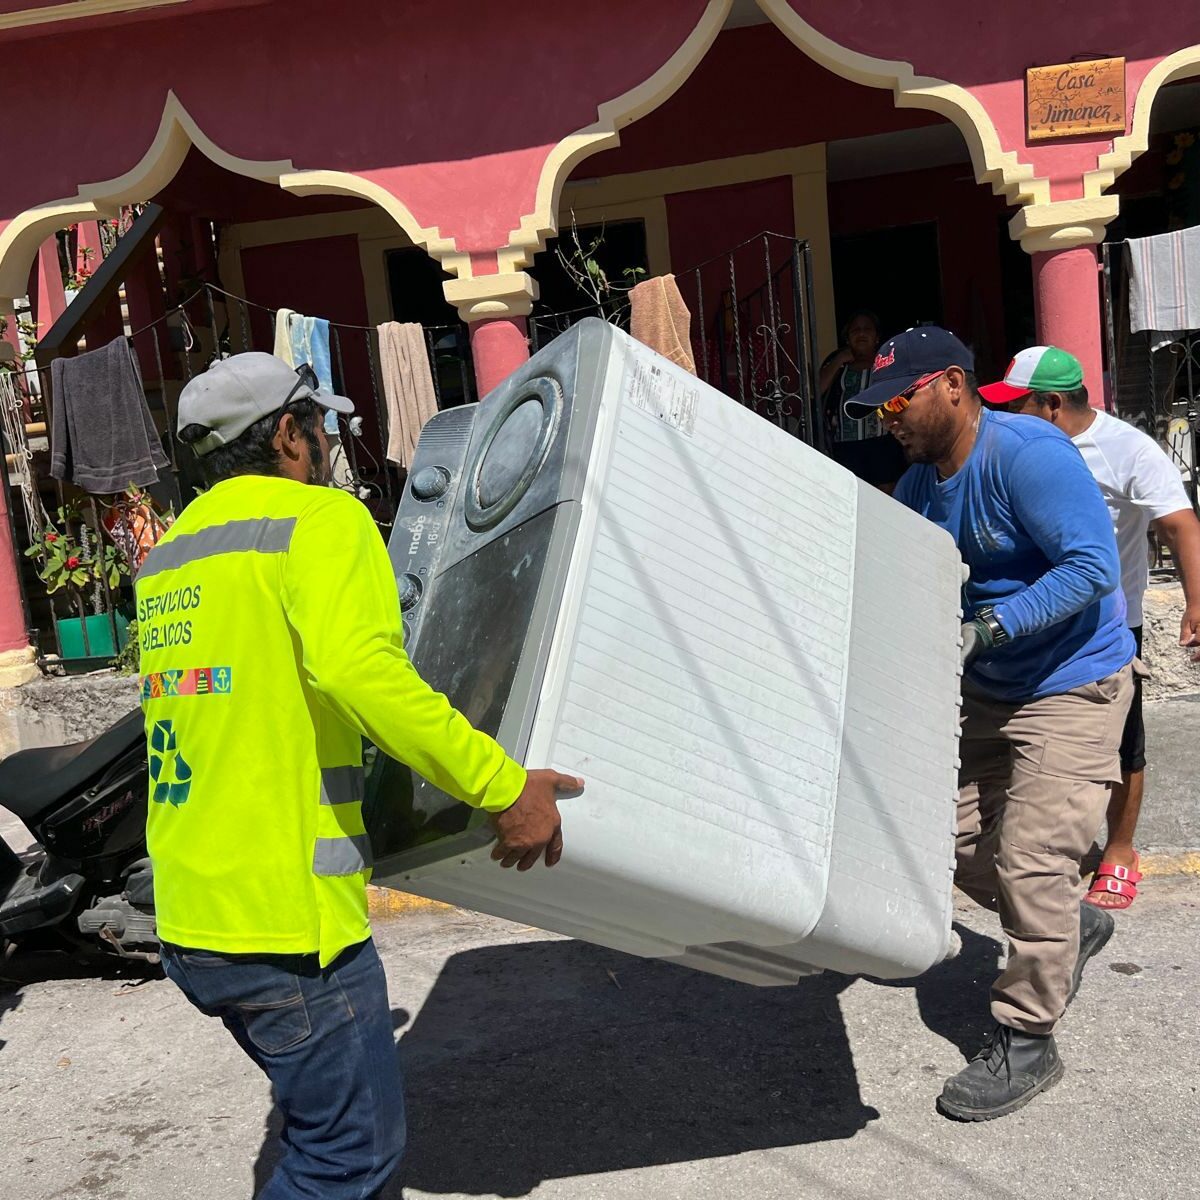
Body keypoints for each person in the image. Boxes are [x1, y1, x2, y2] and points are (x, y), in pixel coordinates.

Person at [136, 353, 582, 1199]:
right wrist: (501, 785)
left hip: (195, 919)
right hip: (288, 928)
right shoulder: (318, 520)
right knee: (348, 1157)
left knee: (327, 1137)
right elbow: (364, 676)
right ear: (286, 433)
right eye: (320, 424)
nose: (327, 441)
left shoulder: (169, 557)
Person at [844, 327, 1135, 1122]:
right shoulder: (919, 487)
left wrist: (991, 628)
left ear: (951, 385)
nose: (889, 421)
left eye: (899, 403)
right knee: (941, 839)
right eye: (880, 410)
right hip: (988, 688)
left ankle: (1028, 1036)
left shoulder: (1027, 454)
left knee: (1032, 859)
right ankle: (1068, 926)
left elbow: (1091, 566)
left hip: (1073, 681)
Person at [980, 346, 1200, 909]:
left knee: (1124, 745)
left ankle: (1120, 849)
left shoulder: (1126, 449)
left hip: (1109, 629)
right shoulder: (1010, 447)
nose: (1005, 415)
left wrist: (1196, 603)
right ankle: (1040, 849)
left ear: (1052, 404)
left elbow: (1179, 525)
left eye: (1016, 404)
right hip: (1030, 623)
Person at [818, 310, 906, 490]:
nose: (861, 333)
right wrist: (839, 359)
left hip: (882, 442)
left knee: (885, 495)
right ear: (847, 338)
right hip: (846, 444)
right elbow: (816, 389)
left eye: (867, 329)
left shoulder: (887, 364)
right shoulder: (839, 366)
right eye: (855, 330)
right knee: (852, 493)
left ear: (876, 337)